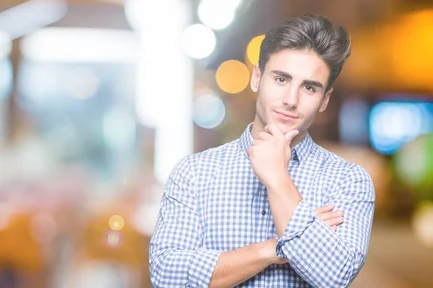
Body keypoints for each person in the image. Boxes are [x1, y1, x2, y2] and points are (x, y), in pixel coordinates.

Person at [149, 14, 375, 288]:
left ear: (324, 100)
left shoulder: (349, 181)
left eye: (309, 87)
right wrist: (274, 248)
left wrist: (278, 179)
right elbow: (165, 276)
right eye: (281, 79)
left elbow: (335, 276)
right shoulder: (194, 173)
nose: (291, 100)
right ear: (257, 78)